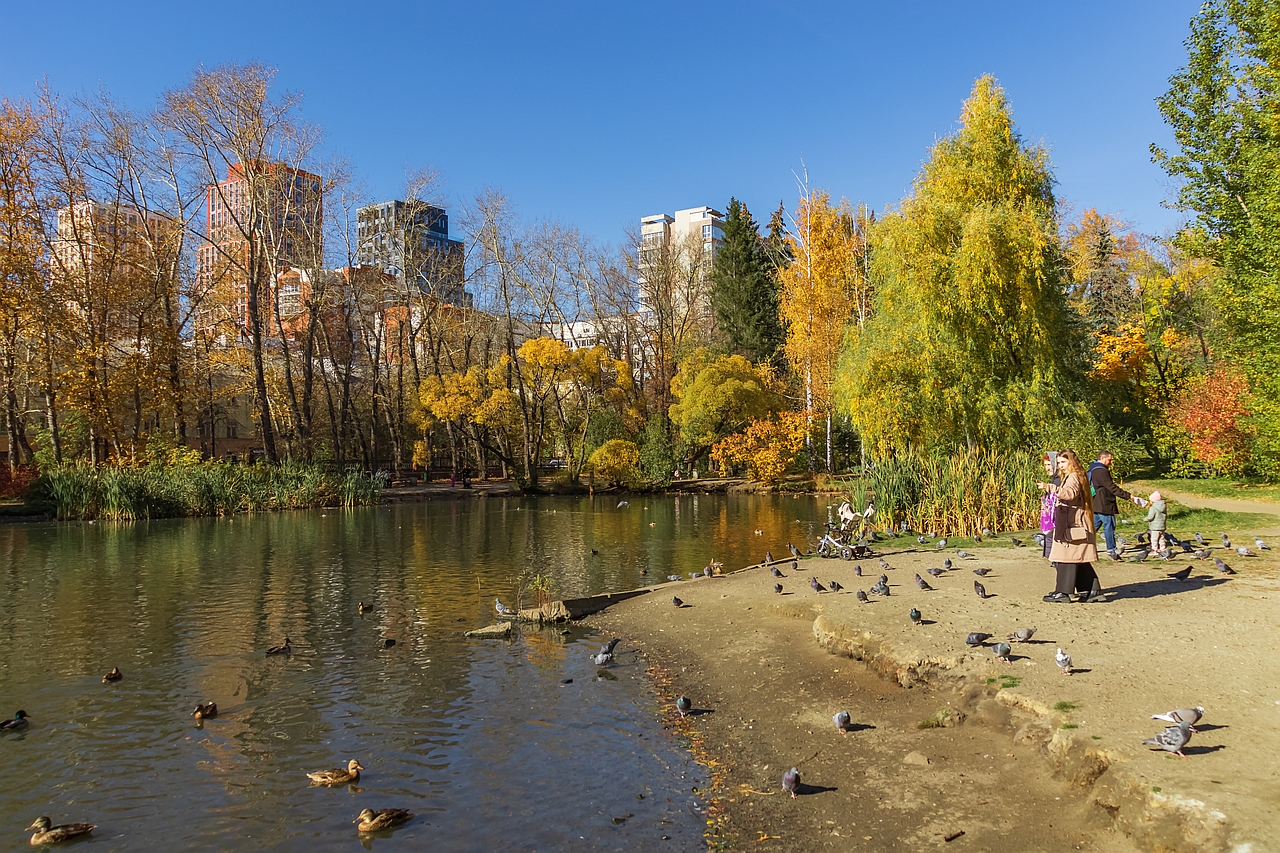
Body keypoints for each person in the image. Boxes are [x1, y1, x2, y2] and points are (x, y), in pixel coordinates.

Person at [1045, 449, 1105, 603]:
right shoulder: (1079, 475)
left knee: (1067, 558)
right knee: (1080, 559)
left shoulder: (1073, 476)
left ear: (1071, 461)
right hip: (1078, 523)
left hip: (1074, 524)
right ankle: (1093, 591)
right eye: (1058, 463)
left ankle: (1064, 592)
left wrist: (1051, 488)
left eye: (1063, 462)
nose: (1060, 466)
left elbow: (1070, 494)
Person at [1087, 451, 1145, 556]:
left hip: (1095, 502)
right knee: (1109, 525)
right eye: (1109, 459)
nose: (1111, 462)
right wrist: (1129, 496)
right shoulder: (1101, 471)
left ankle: (1084, 546)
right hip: (1104, 503)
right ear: (1103, 458)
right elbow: (1112, 487)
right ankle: (1111, 549)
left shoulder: (1092, 467)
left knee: (1093, 527)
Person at [1036, 452, 1060, 560]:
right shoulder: (1055, 478)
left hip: (1058, 519)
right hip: (1052, 520)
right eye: (1045, 465)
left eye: (1049, 464)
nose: (1047, 468)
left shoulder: (1060, 479)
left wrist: (1047, 487)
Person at [1145, 490, 1168, 556]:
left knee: (1154, 539)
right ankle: (1163, 549)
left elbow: (1150, 517)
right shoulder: (1164, 507)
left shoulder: (1153, 508)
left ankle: (1154, 550)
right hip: (1162, 526)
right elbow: (1166, 516)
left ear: (1153, 501)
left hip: (1155, 527)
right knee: (1161, 538)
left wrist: (1145, 519)